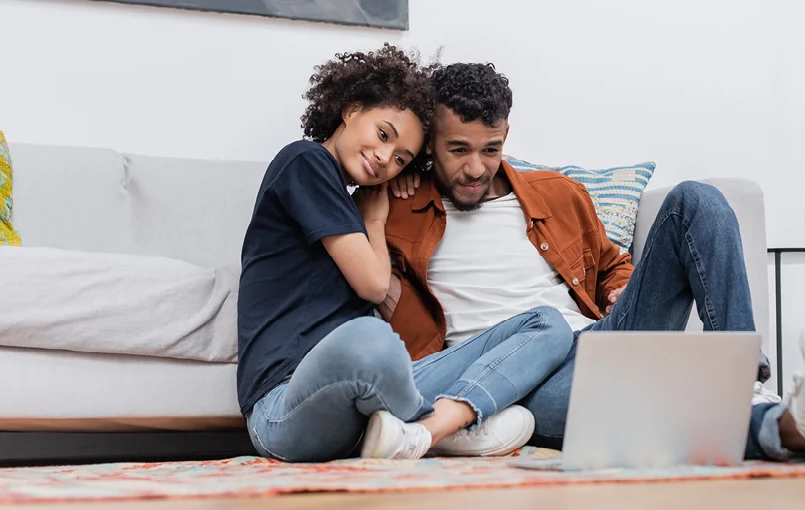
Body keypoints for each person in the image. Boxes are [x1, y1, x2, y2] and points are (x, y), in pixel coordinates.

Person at [377, 62, 805, 463]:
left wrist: (619, 291)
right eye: (457, 149)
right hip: (502, 380)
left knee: (698, 200)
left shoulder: (555, 194)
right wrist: (391, 186)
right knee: (640, 412)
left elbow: (611, 266)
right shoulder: (392, 206)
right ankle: (798, 425)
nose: (475, 167)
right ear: (428, 141)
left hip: (590, 342)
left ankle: (744, 377)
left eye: (490, 149)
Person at [236, 45, 574, 463]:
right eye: (383, 135)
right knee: (371, 339)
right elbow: (374, 284)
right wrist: (374, 221)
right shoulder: (305, 162)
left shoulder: (350, 197)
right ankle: (448, 428)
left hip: (365, 405)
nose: (384, 159)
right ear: (351, 108)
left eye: (401, 159)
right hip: (284, 407)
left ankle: (427, 431)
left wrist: (396, 190)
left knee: (548, 323)